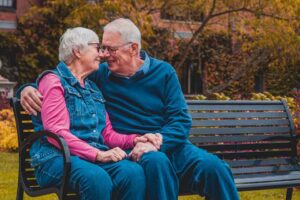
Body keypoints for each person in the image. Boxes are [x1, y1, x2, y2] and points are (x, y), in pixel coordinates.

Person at [20, 19, 240, 200]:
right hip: (133, 150)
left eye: (110, 49)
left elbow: (181, 121)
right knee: (156, 163)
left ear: (134, 48)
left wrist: (157, 140)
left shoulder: (164, 72)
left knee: (215, 168)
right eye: (102, 48)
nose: (104, 54)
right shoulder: (100, 75)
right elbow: (63, 76)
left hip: (167, 143)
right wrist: (27, 88)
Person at [25, 27, 162, 200]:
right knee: (97, 179)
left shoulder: (93, 89)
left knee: (133, 172)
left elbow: (107, 134)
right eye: (97, 48)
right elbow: (55, 133)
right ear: (77, 51)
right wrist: (98, 154)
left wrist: (135, 139)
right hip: (56, 158)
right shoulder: (53, 81)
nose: (102, 54)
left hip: (89, 158)